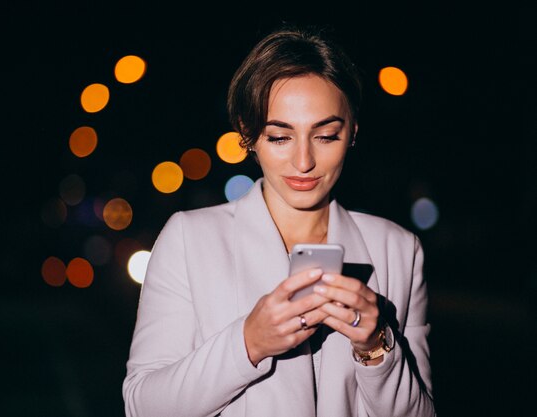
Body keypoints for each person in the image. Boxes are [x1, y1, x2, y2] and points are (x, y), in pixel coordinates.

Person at [122, 23, 436, 417]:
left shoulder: (398, 249)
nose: (303, 162)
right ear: (248, 134)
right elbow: (143, 407)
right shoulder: (190, 237)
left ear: (352, 132)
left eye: (325, 136)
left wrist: (375, 347)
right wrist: (247, 343)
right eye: (279, 136)